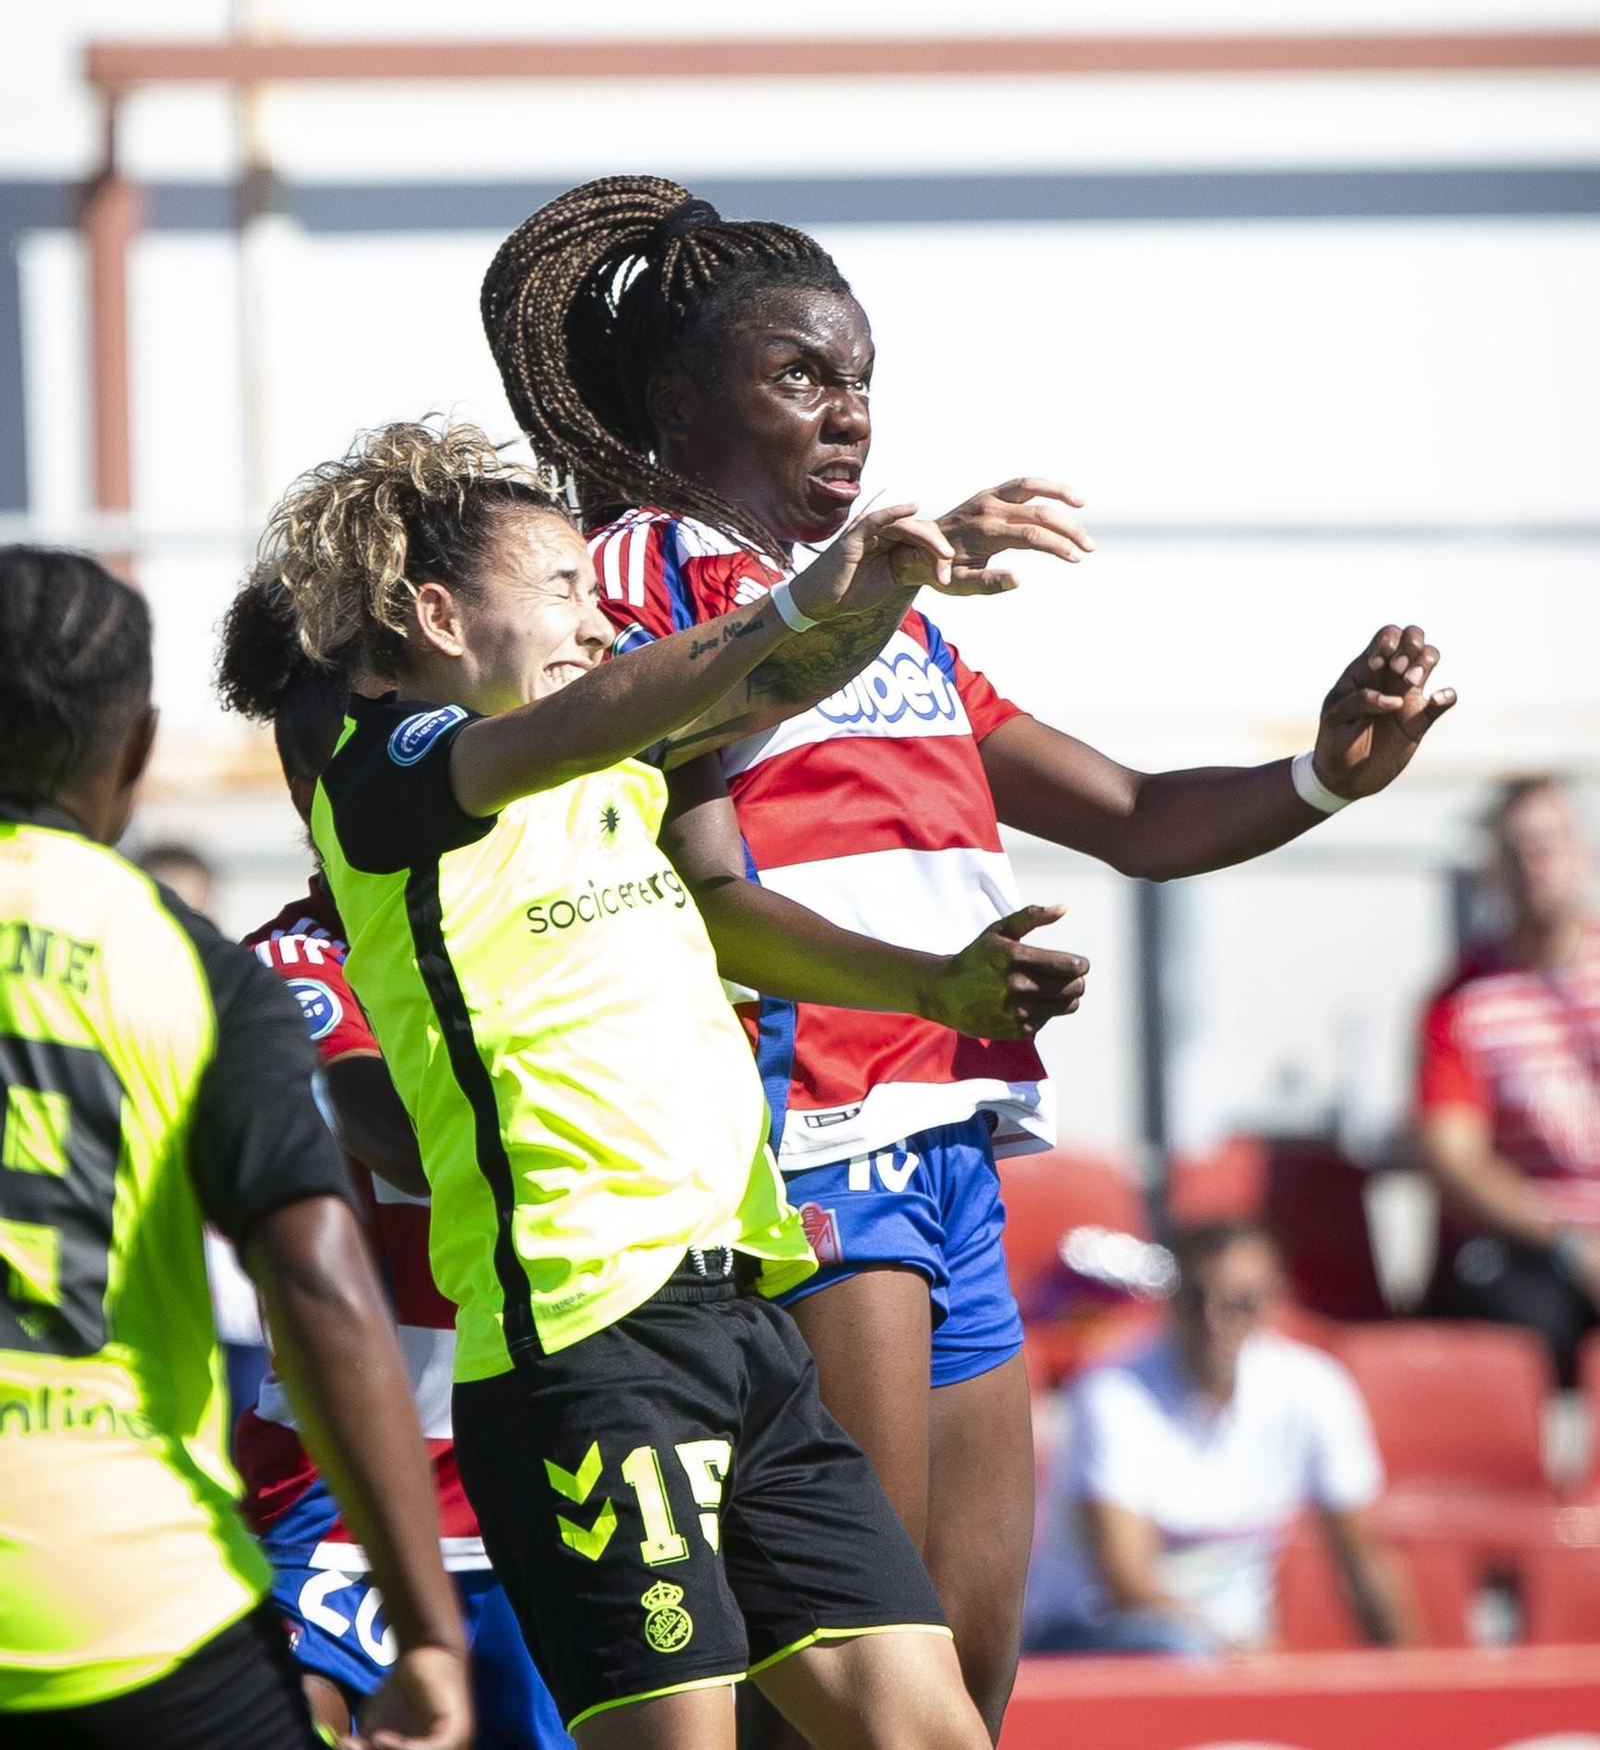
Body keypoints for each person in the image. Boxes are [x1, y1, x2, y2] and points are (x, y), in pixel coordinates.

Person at [479, 174, 1456, 1735]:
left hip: (954, 1134)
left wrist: (1325, 773)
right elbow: (695, 786)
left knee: (969, 1667)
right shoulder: (643, 570)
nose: (848, 412)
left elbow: (1134, 814)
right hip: (807, 1132)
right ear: (675, 400)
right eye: (800, 373)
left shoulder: (901, 617)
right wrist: (870, 588)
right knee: (853, 1661)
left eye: (861, 377)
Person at [261, 418, 1084, 1750]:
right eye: (562, 590)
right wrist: (799, 598)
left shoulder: (605, 770)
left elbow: (767, 682)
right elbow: (621, 701)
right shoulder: (387, 771)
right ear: (438, 616)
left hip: (745, 1322)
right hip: (586, 1348)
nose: (598, 621)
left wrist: (884, 586)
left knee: (932, 1733)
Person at [0, 545, 471, 1750]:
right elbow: (314, 1272)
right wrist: (426, 1629)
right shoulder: (186, 962)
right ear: (139, 749)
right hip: (117, 1592)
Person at [217, 571, 572, 1750]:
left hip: (544, 1457)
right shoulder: (291, 965)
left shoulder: (533, 933)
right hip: (351, 1485)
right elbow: (401, 1135)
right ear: (317, 791)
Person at [1023, 1223, 1413, 1656]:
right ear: (1170, 1300)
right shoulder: (1110, 1393)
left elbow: (1363, 1559)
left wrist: (1409, 1678)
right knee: (1178, 1651)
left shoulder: (1316, 1388)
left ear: (1272, 1302)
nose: (1214, 1321)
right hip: (1088, 1637)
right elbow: (1127, 1583)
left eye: (1240, 1304)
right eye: (1196, 1300)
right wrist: (1235, 1656)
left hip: (1230, 1652)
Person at [1418, 775, 1600, 1383]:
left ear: (1582, 854)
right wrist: (1570, 1243)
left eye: (1549, 844)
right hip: (1529, 1248)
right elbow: (1457, 1161)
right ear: (1495, 870)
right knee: (1520, 1332)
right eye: (1518, 849)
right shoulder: (1461, 1002)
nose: (1535, 864)